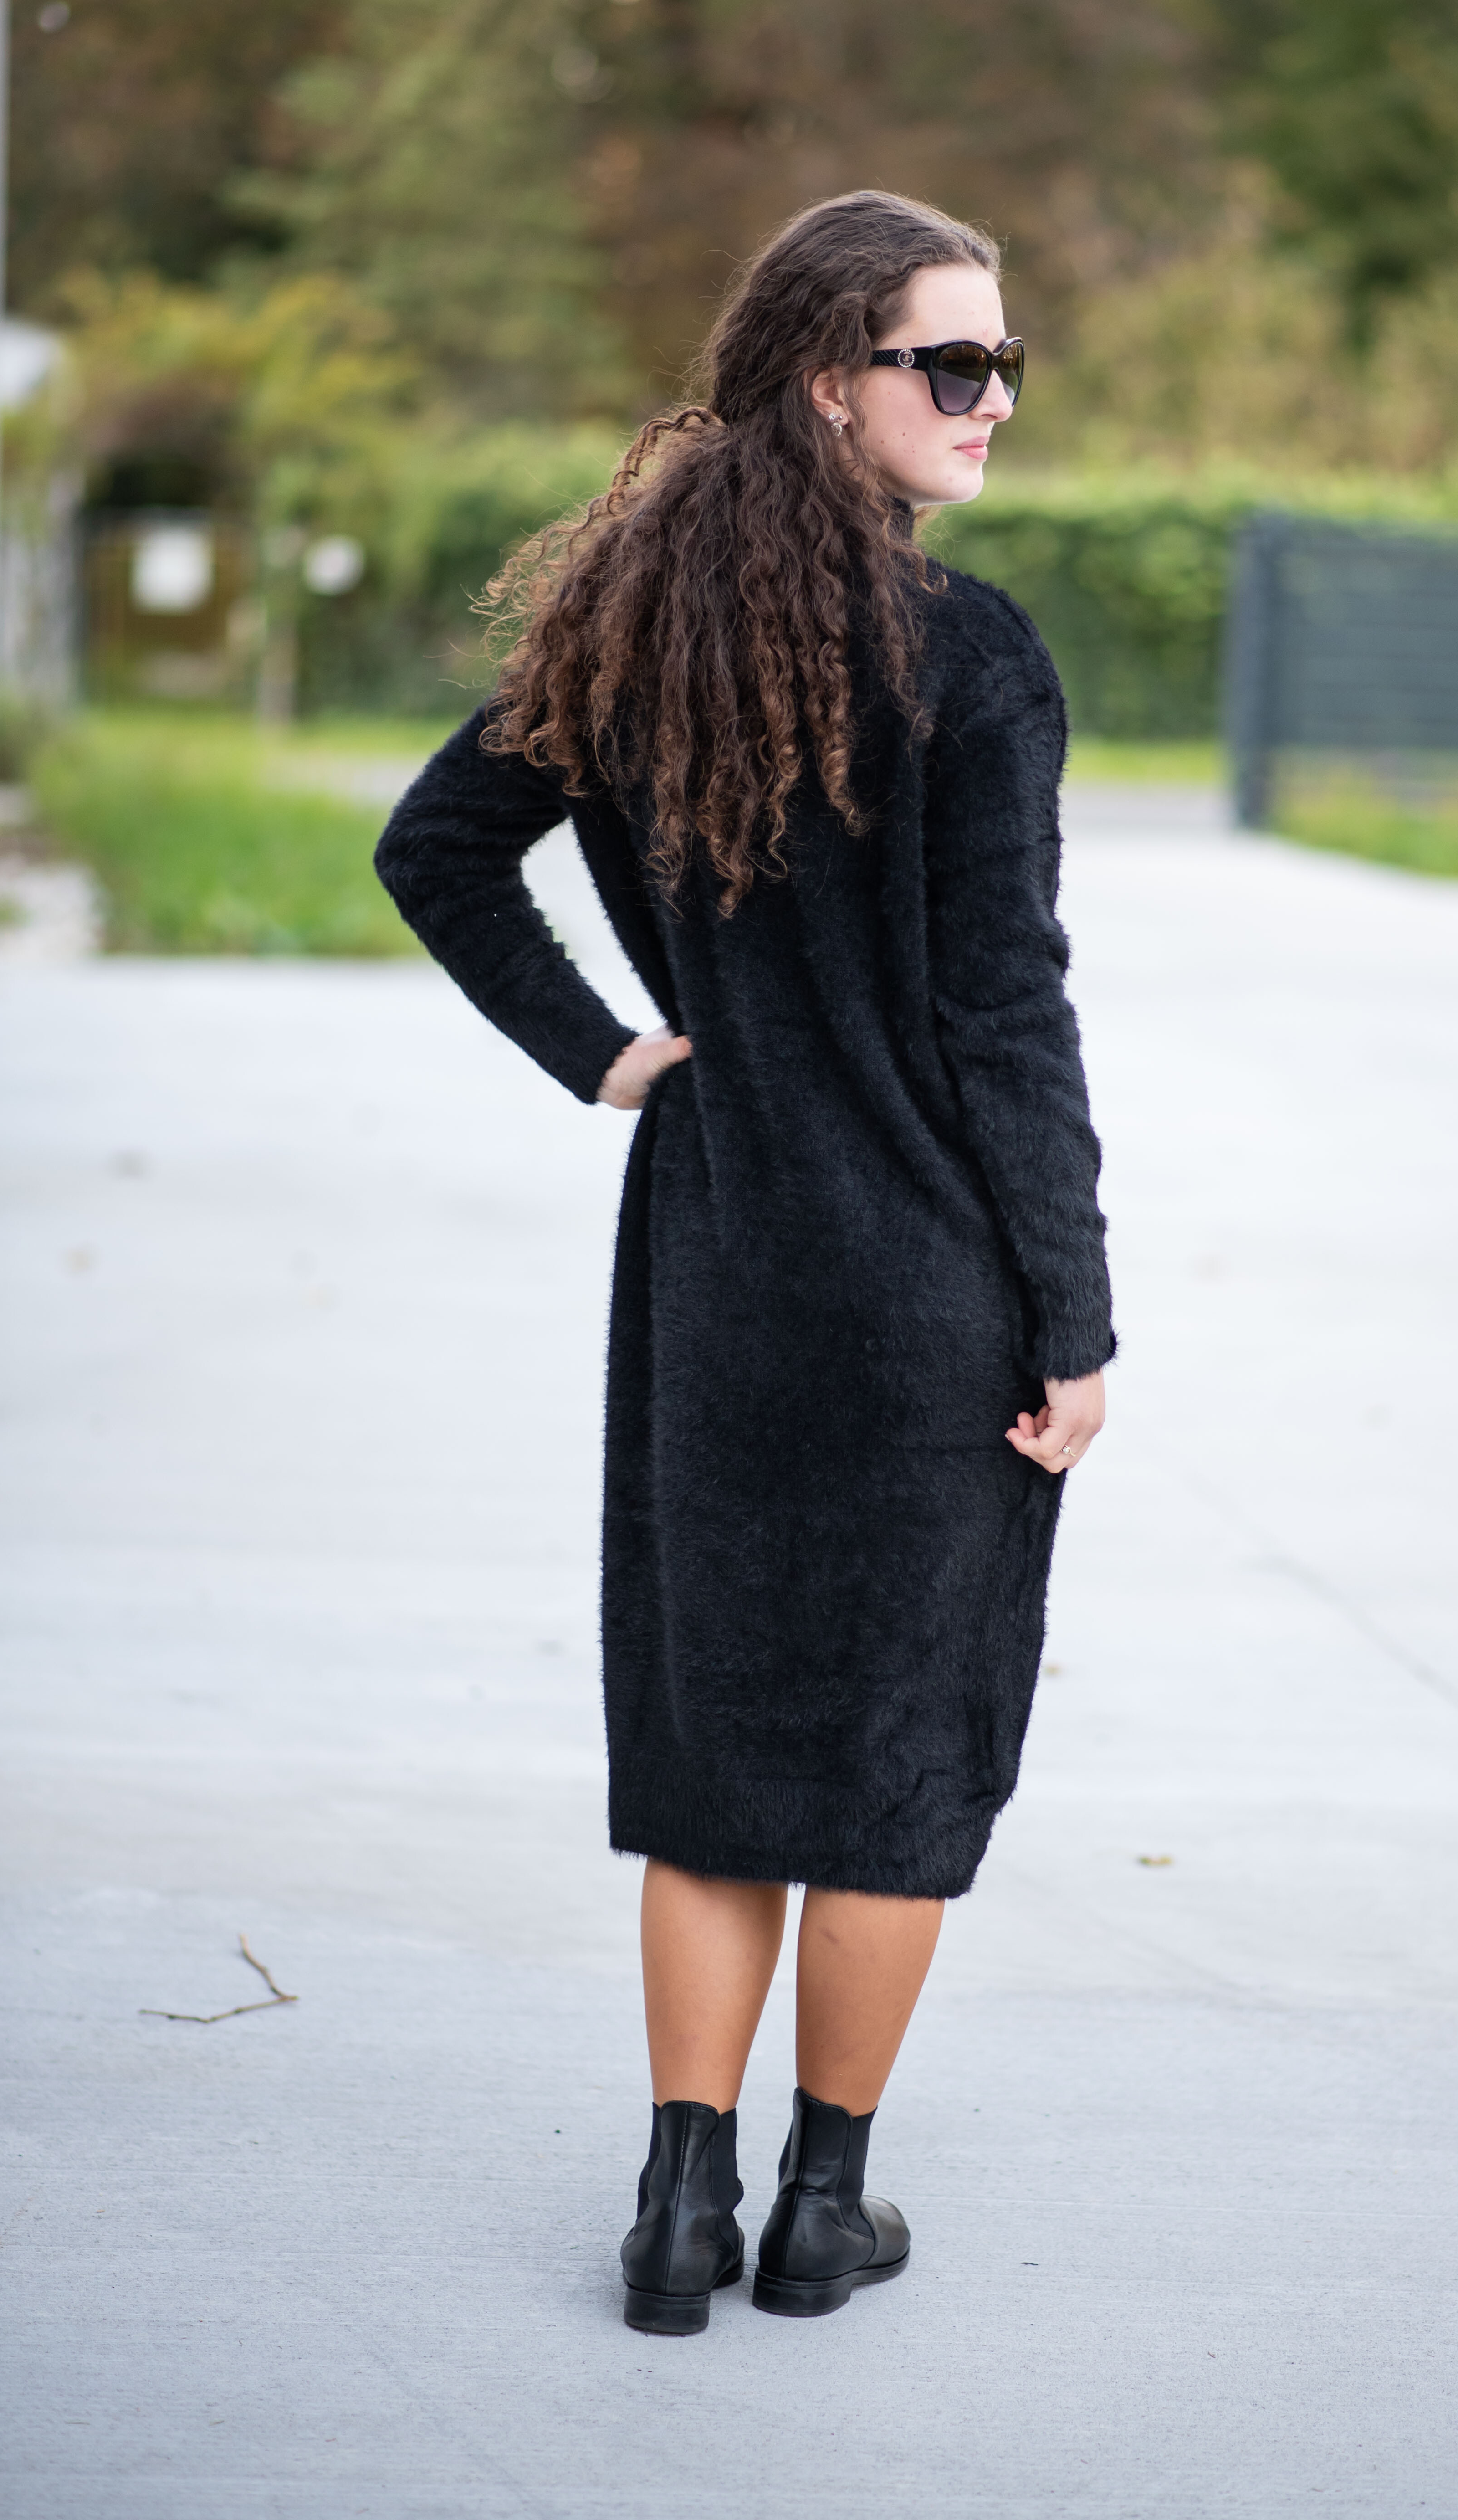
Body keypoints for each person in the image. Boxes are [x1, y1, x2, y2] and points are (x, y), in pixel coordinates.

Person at [374, 189, 1114, 2336]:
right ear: (822, 384)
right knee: (891, 1769)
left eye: (999, 362)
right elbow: (1006, 1020)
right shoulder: (970, 659)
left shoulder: (629, 635)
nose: (990, 399)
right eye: (947, 363)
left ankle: (674, 2211)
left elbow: (438, 851)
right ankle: (819, 2213)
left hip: (715, 1267)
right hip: (932, 1291)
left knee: (715, 1756)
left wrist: (616, 1057)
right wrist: (1072, 1319)